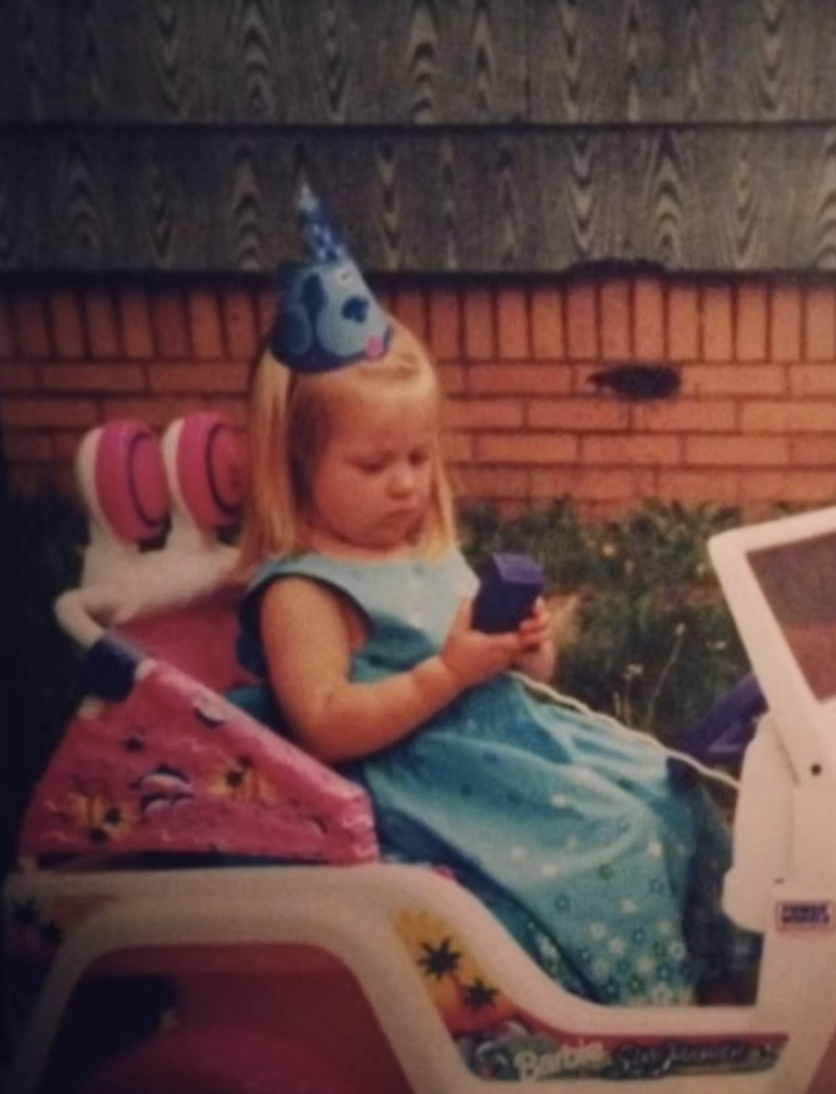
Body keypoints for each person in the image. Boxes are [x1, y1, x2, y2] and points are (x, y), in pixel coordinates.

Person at [234, 187, 758, 1007]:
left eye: (418, 457)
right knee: (611, 843)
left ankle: (714, 978)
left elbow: (515, 672)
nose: (406, 485)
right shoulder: (303, 589)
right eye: (374, 466)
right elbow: (326, 728)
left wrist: (523, 649)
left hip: (512, 743)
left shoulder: (420, 547)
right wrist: (447, 675)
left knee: (667, 795)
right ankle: (624, 1014)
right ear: (294, 462)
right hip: (435, 782)